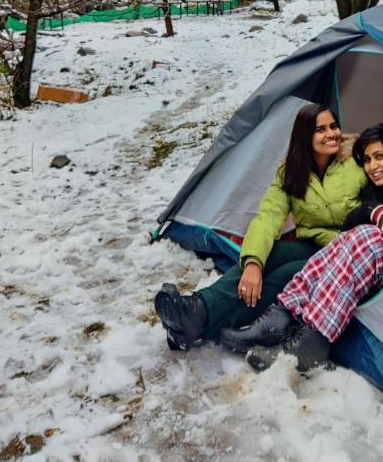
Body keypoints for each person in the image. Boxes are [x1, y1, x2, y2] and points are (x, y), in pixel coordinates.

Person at [154, 103, 368, 351]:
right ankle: (196, 309)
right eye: (320, 129)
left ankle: (199, 325)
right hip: (312, 244)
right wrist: (253, 263)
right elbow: (267, 216)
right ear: (305, 135)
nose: (331, 134)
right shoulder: (292, 172)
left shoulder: (356, 163)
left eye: (333, 126)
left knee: (286, 275)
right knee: (270, 256)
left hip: (348, 251)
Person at [218, 123, 383, 372]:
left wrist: (372, 210)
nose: (372, 167)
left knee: (367, 237)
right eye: (368, 160)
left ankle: (310, 344)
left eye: (380, 156)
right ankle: (280, 319)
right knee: (342, 241)